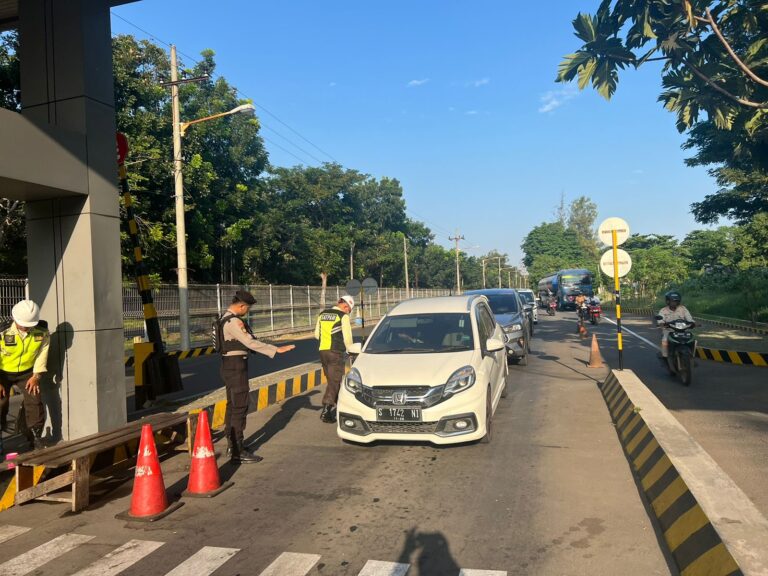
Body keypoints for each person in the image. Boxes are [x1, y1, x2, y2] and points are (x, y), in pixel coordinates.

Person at [218, 290, 295, 463]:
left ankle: (233, 445)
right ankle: (237, 451)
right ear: (241, 305)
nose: (247, 312)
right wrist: (275, 349)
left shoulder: (224, 317)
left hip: (229, 366)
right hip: (236, 367)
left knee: (233, 405)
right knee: (240, 406)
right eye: (248, 308)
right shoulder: (234, 321)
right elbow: (249, 342)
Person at [0, 300, 49, 449]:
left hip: (27, 373)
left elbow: (42, 353)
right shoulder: (2, 332)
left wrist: (36, 376)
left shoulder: (42, 332)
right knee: (1, 402)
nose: (27, 328)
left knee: (35, 400)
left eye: (30, 325)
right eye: (24, 325)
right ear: (14, 318)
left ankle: (35, 437)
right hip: (2, 372)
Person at [315, 295, 354, 423]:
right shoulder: (343, 316)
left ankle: (340, 408)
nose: (348, 312)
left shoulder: (322, 314)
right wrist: (351, 351)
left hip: (322, 351)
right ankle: (326, 411)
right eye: (349, 309)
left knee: (332, 380)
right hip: (335, 352)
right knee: (335, 381)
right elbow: (347, 339)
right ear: (345, 306)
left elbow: (316, 335)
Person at [656, 291, 694, 358]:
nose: (674, 303)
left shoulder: (683, 309)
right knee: (665, 339)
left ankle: (691, 354)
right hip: (669, 330)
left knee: (692, 339)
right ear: (668, 301)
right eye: (672, 301)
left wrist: (692, 323)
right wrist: (661, 323)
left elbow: (689, 318)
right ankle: (665, 355)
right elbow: (660, 320)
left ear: (678, 301)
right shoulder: (663, 310)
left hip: (682, 329)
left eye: (676, 301)